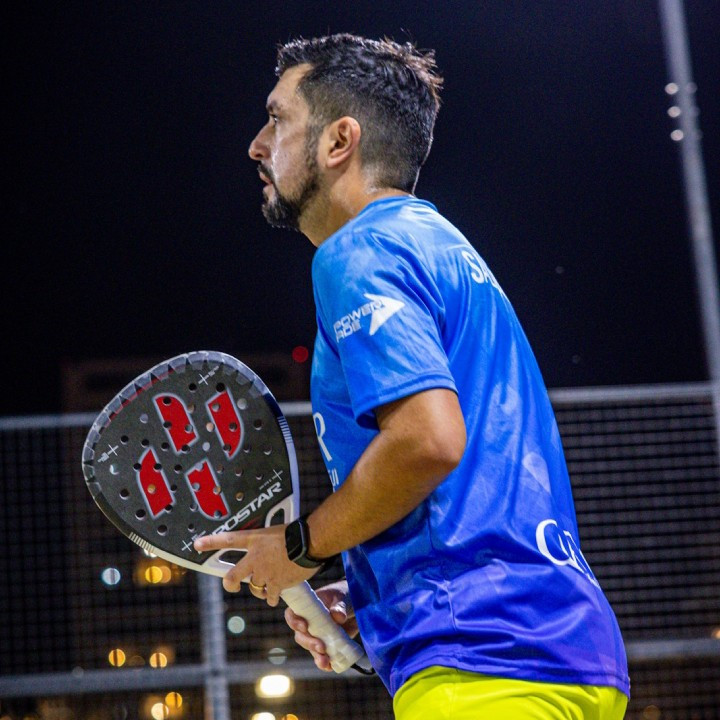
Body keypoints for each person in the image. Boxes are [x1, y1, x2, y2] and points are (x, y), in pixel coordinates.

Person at [194, 33, 630, 719]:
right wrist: (372, 595)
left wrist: (299, 548)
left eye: (277, 119)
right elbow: (470, 481)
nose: (257, 144)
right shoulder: (437, 242)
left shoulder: (358, 251)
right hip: (564, 652)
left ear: (339, 141)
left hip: (479, 662)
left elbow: (429, 440)